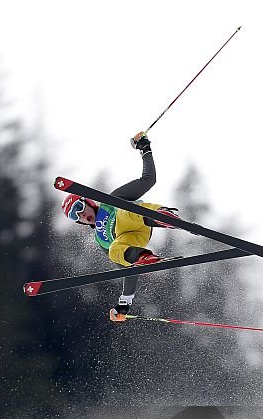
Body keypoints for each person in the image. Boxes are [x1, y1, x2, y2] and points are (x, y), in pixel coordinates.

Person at [61, 132, 178, 322]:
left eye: (80, 207)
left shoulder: (110, 200)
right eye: (75, 216)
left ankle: (164, 217)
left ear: (89, 202)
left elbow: (148, 180)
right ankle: (144, 258)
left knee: (124, 212)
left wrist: (145, 149)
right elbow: (127, 270)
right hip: (134, 241)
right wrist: (124, 303)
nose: (82, 215)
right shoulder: (100, 239)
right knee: (114, 250)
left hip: (138, 219)